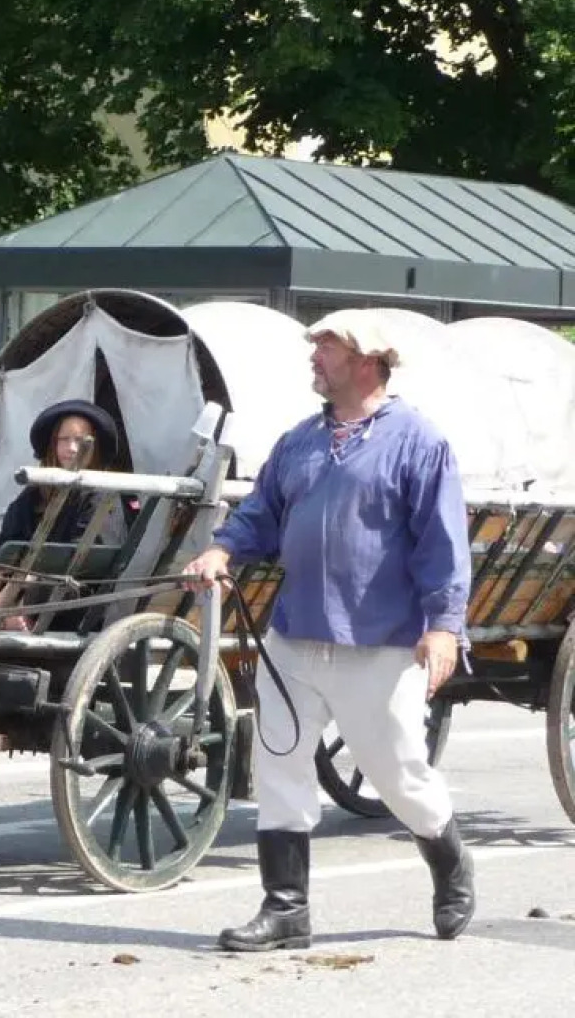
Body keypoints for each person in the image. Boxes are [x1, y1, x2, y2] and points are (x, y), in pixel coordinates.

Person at [182, 309, 474, 952]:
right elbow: (261, 514)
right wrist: (224, 550)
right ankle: (285, 910)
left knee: (397, 773)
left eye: (327, 348)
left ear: (367, 360)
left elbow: (442, 544)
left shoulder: (418, 441)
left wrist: (445, 627)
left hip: (380, 640)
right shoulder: (299, 441)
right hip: (294, 636)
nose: (314, 358)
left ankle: (450, 861)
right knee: (280, 762)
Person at [0, 399, 126, 629]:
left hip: (61, 596)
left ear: (95, 447)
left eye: (81, 441)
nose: (72, 448)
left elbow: (86, 562)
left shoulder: (101, 496)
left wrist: (20, 588)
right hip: (13, 593)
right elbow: (1, 545)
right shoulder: (34, 494)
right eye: (64, 439)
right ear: (53, 444)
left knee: (51, 591)